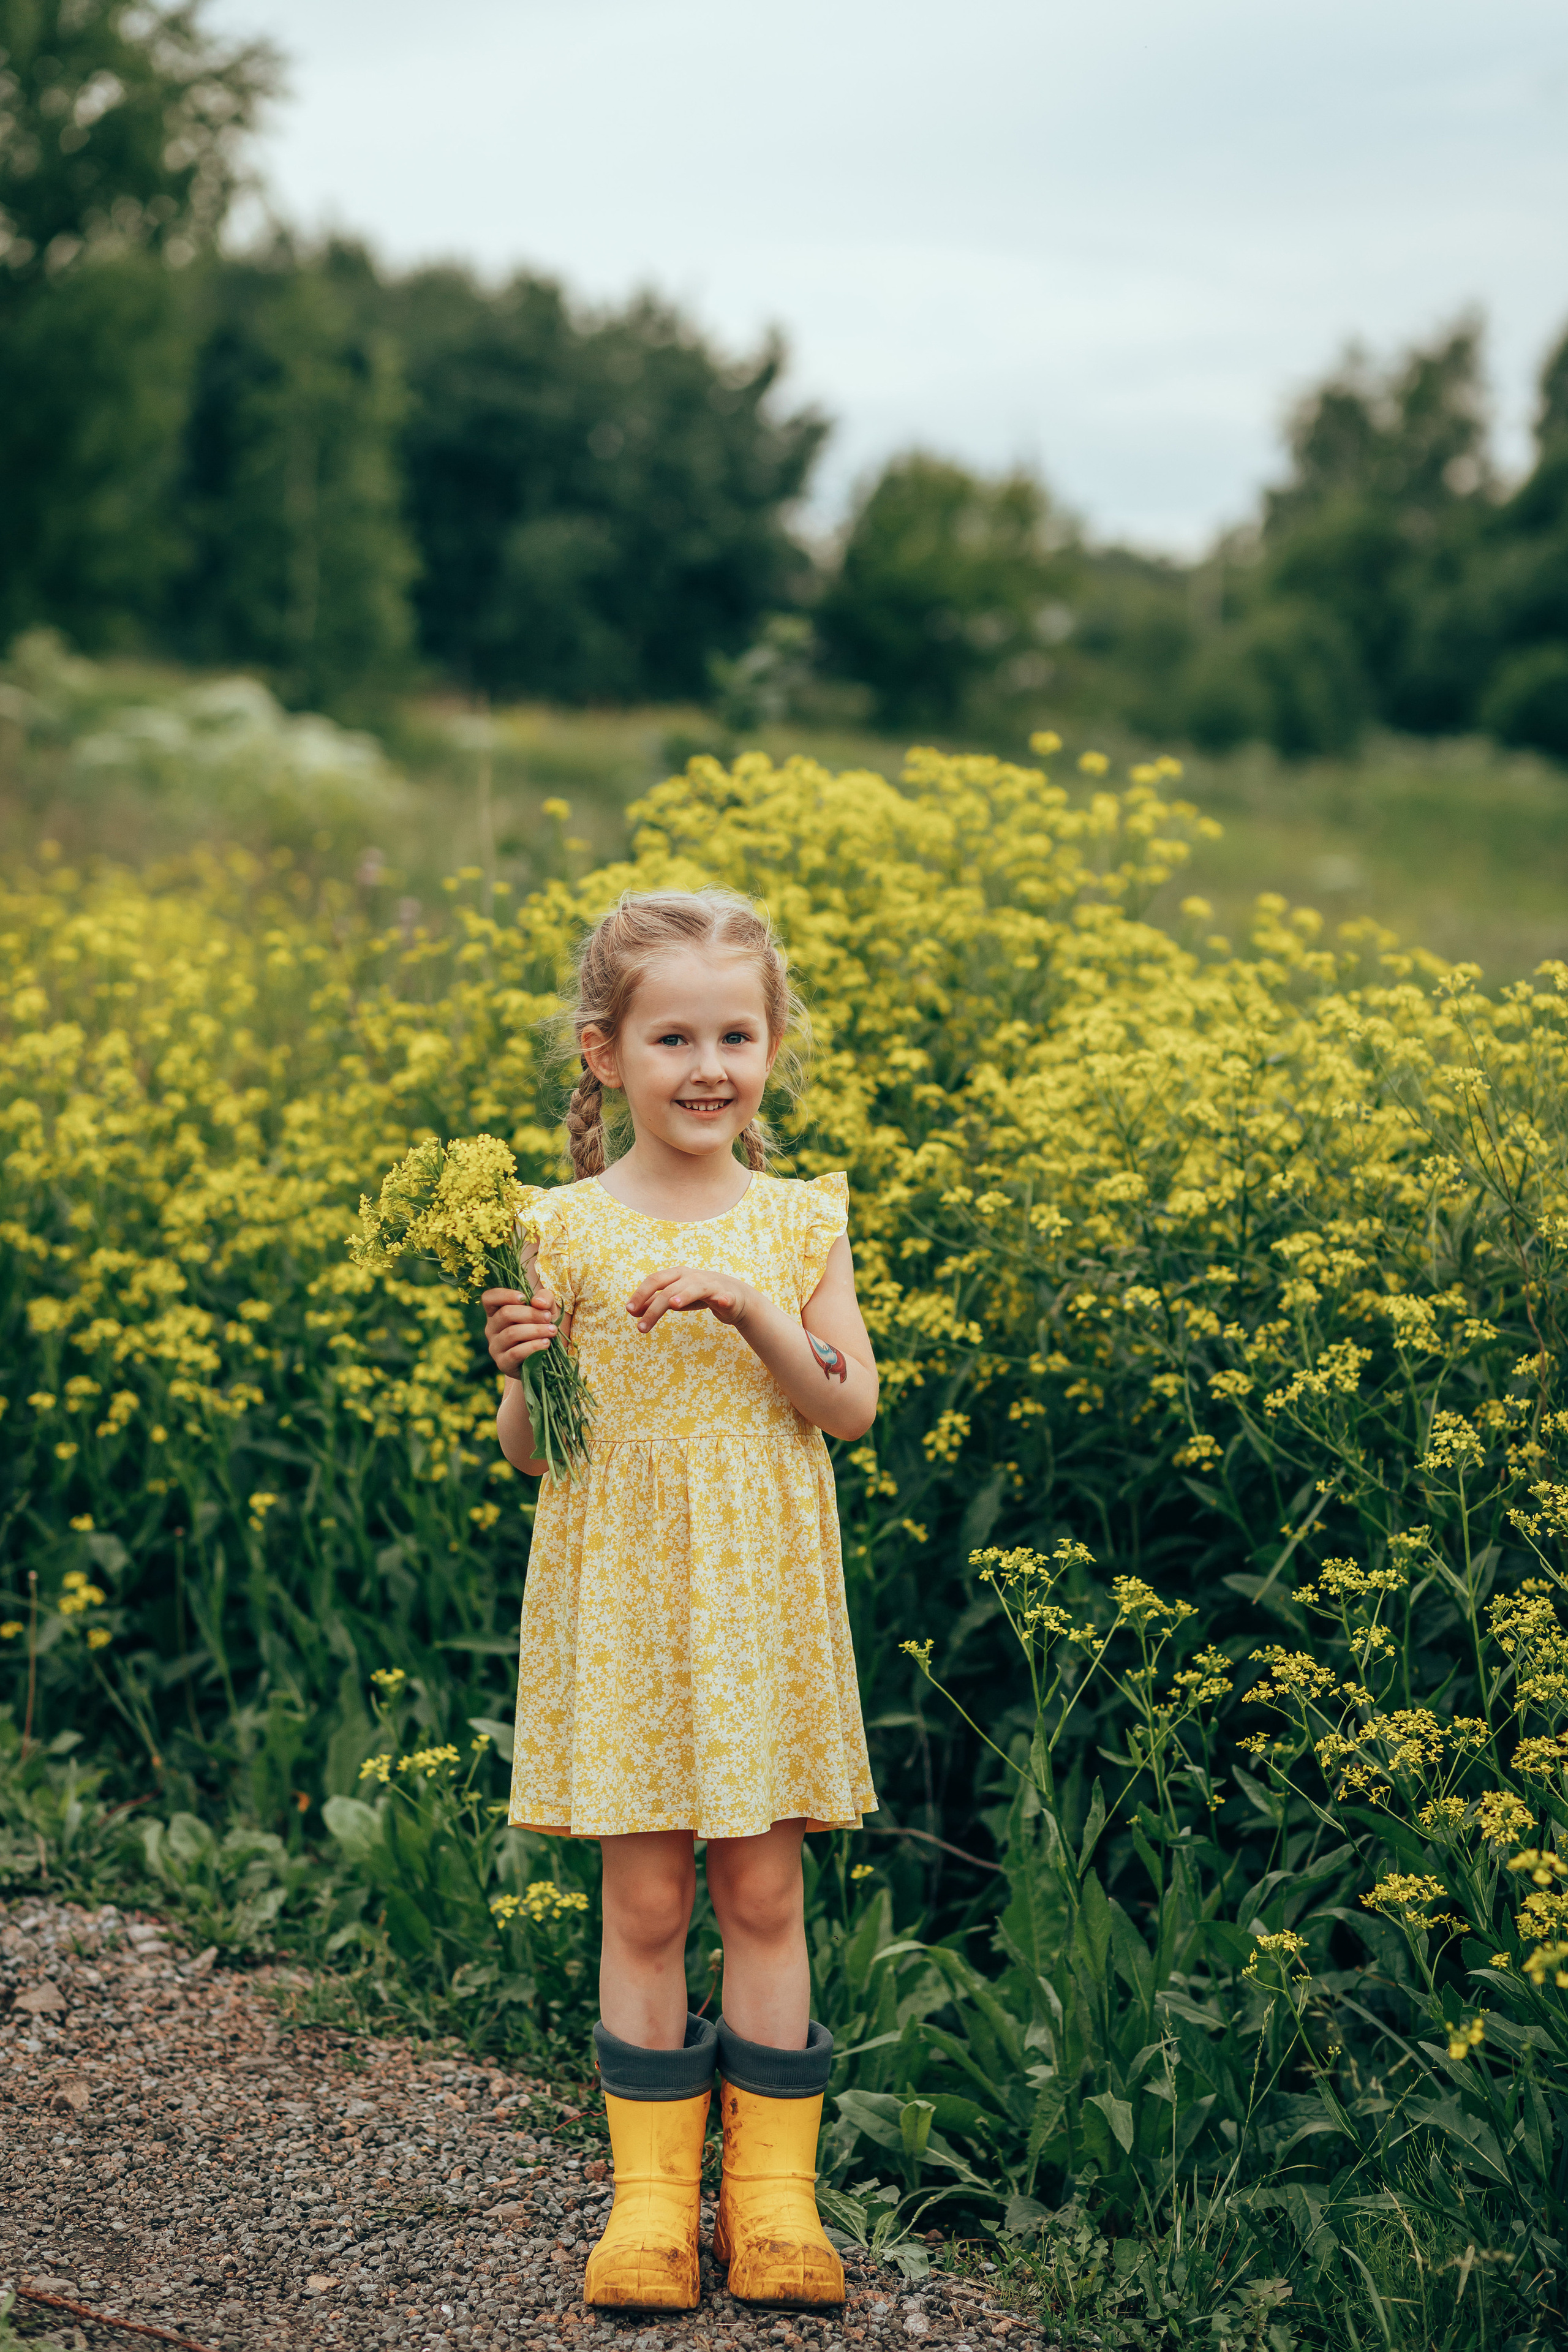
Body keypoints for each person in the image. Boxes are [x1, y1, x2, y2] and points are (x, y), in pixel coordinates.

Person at [483, 888, 879, 2317]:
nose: (707, 1064)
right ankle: (649, 2203)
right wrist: (524, 1368)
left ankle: (774, 2203)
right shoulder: (558, 1226)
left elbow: (850, 1409)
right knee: (644, 1901)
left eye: (735, 1032)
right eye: (671, 1037)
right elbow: (535, 1451)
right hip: (624, 1610)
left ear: (771, 1046)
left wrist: (751, 1305)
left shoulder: (797, 1222)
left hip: (757, 1608)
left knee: (761, 1890)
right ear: (606, 1057)